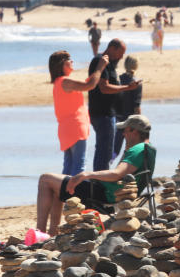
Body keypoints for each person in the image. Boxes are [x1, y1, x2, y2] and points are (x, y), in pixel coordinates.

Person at [36, 114, 155, 237]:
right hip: (115, 194)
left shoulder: (137, 150)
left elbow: (117, 174)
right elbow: (124, 173)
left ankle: (39, 232)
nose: (123, 134)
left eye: (125, 130)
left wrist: (85, 175)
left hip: (103, 195)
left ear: (133, 131)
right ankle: (51, 233)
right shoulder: (149, 149)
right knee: (56, 188)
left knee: (45, 179)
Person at [49, 50, 108, 176]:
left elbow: (89, 83)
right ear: (61, 65)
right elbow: (90, 85)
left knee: (69, 165)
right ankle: (74, 193)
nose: (72, 61)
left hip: (66, 129)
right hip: (75, 127)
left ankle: (64, 193)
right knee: (78, 166)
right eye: (68, 60)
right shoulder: (65, 82)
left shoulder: (59, 83)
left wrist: (97, 70)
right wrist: (100, 67)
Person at [88, 39, 142, 171]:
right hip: (103, 114)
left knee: (106, 151)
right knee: (105, 152)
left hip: (108, 114)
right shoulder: (101, 61)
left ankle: (100, 180)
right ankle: (100, 183)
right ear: (112, 48)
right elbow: (104, 87)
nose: (122, 57)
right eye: (121, 53)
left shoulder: (108, 63)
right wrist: (127, 88)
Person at [113, 55, 142, 158]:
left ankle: (108, 166)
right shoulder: (137, 82)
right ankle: (127, 170)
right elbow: (136, 105)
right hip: (131, 119)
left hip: (119, 117)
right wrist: (140, 121)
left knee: (115, 147)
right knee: (132, 148)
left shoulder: (119, 79)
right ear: (136, 65)